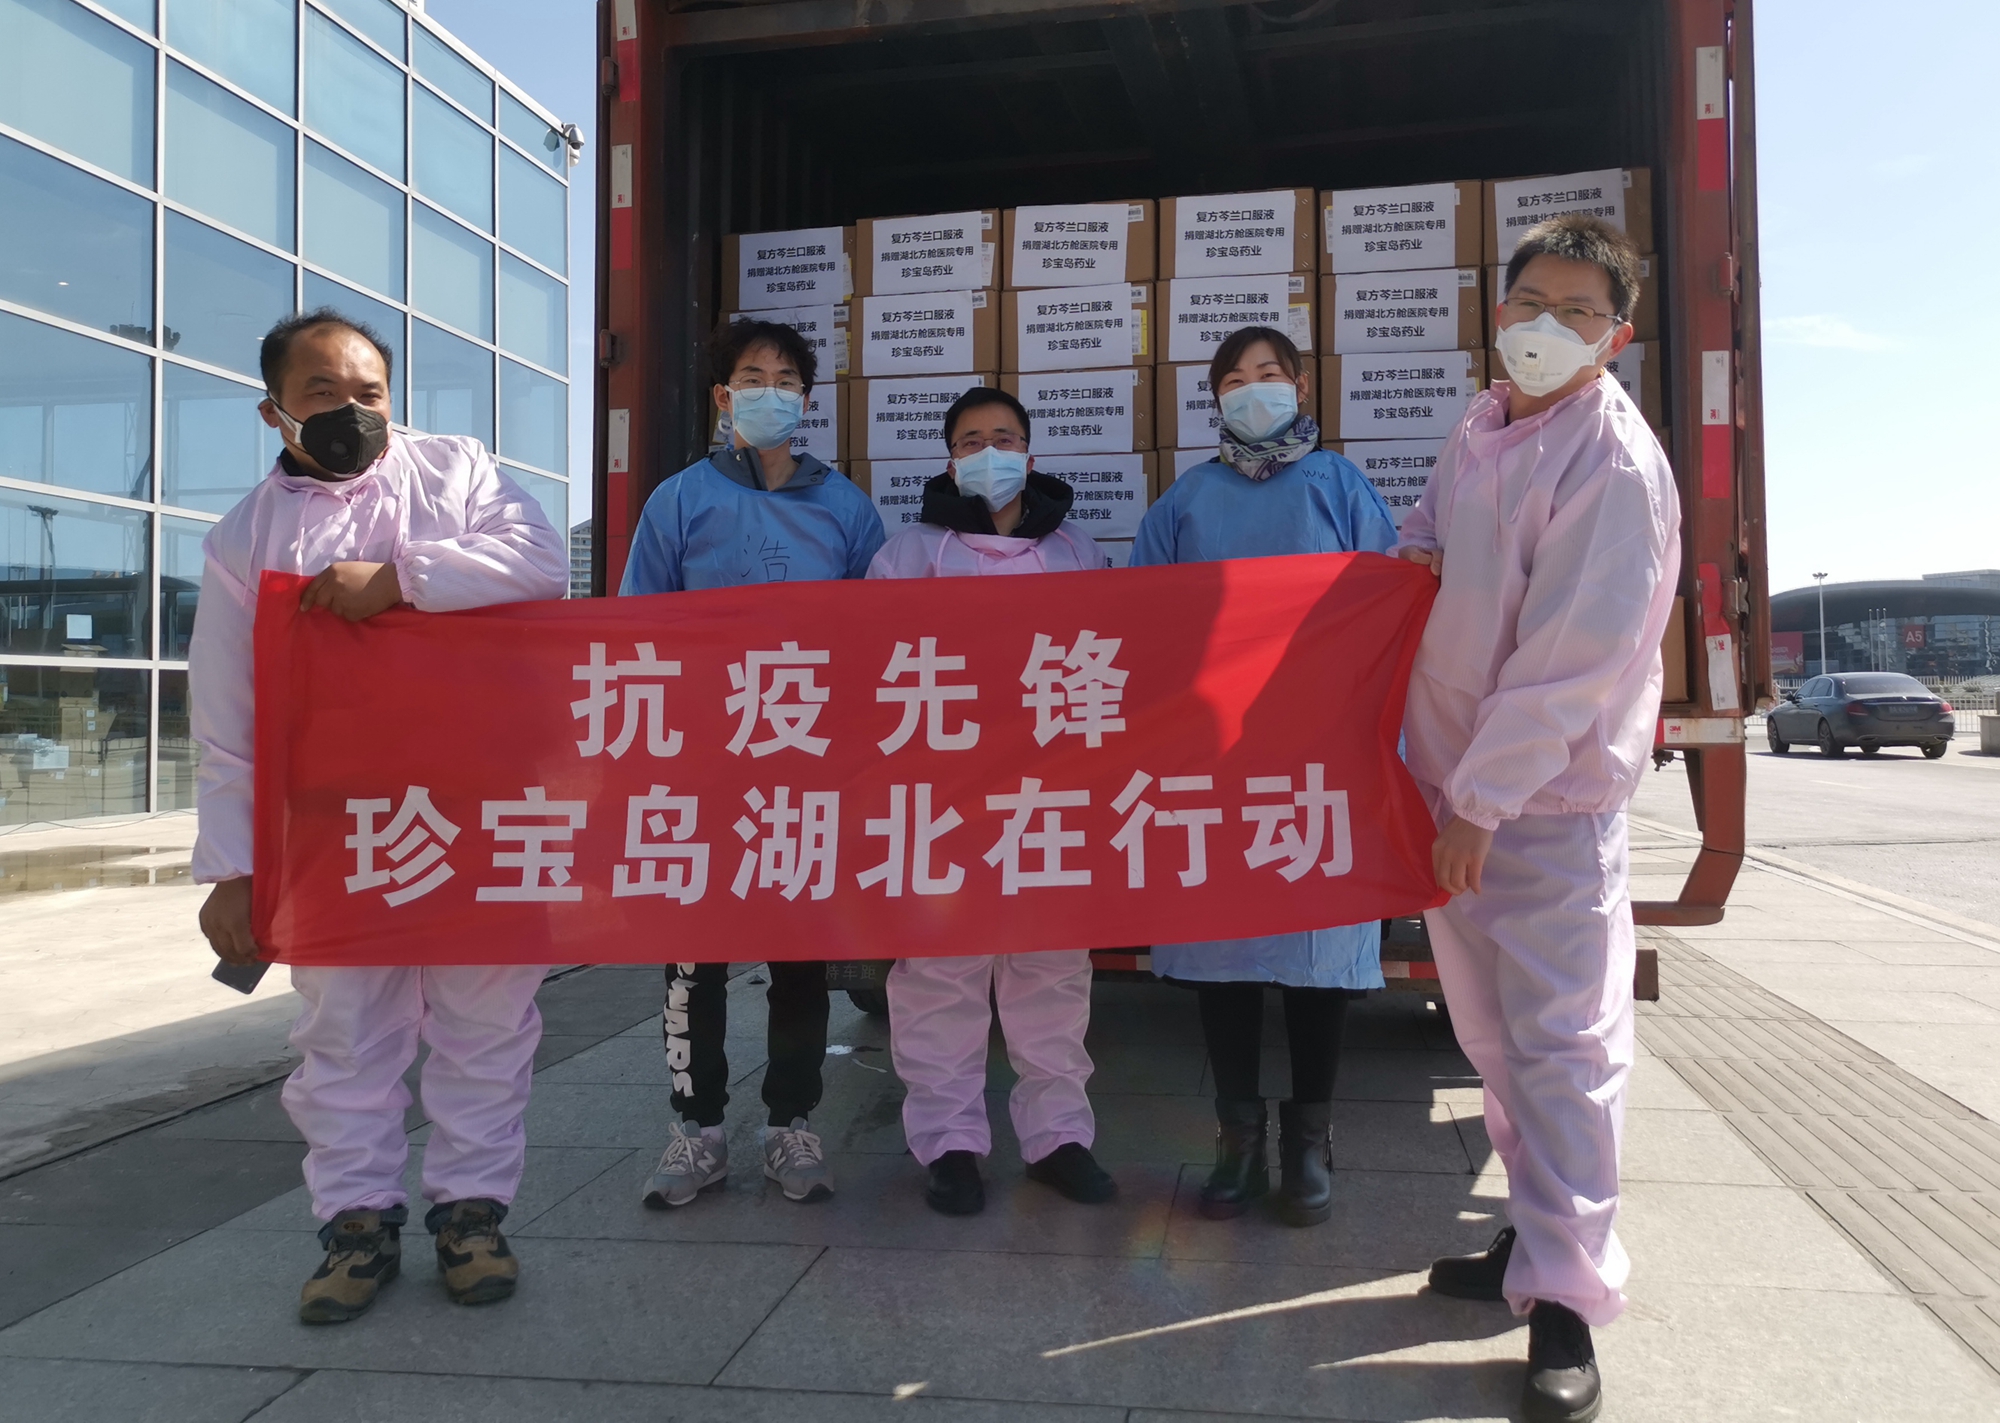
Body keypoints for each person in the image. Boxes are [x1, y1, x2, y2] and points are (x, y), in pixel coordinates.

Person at [192, 309, 568, 1324]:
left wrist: (402, 581)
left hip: (481, 806)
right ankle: (355, 1226)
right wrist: (233, 868)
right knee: (346, 1031)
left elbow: (540, 559)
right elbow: (226, 717)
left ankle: (471, 1215)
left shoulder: (456, 471)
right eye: (322, 393)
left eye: (369, 393)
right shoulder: (243, 539)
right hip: (335, 827)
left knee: (487, 1020)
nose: (351, 410)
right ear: (274, 412)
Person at [1397, 213, 1680, 1423]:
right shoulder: (1482, 424)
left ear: (1615, 336)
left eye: (1575, 311)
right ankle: (1532, 1237)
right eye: (1528, 302)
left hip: (1539, 801)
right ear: (1496, 308)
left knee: (1562, 1047)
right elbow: (1426, 543)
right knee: (1494, 1038)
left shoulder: (1610, 462)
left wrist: (1480, 800)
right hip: (1451, 786)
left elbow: (1568, 661)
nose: (1543, 327)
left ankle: (1567, 1298)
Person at [1131, 326, 1399, 1227]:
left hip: (1321, 753)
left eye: (1270, 374)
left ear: (1301, 385)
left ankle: (1309, 1142)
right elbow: (1144, 626)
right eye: (1234, 380)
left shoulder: (1340, 484)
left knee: (1317, 956)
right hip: (1217, 756)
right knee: (1225, 955)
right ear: (1214, 398)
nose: (1253, 391)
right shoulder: (1185, 501)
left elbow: (1386, 609)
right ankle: (1236, 1141)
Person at [620, 318, 885, 1210]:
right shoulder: (679, 500)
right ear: (723, 396)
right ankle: (695, 1129)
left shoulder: (845, 507)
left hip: (805, 766)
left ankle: (789, 1122)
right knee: (691, 957)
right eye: (751, 377)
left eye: (786, 380)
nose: (770, 392)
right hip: (702, 766)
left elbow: (879, 638)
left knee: (798, 952)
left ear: (805, 400)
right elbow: (638, 631)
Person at [866, 386, 1117, 1217]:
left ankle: (1059, 1137)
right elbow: (870, 670)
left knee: (1052, 966)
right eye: (971, 439)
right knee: (940, 968)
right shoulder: (908, 555)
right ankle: (949, 1142)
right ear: (949, 461)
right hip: (942, 796)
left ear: (1031, 454)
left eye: (1004, 437)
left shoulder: (1077, 551)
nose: (989, 452)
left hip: (1051, 792)